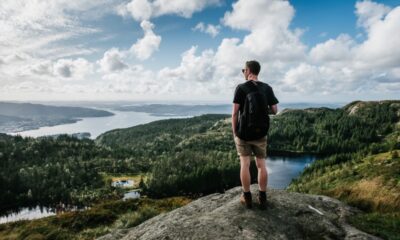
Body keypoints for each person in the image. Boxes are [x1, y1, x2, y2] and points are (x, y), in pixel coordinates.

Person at [232, 60, 279, 209]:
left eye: (243, 70)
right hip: (261, 133)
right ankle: (262, 197)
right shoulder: (267, 88)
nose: (243, 72)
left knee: (245, 165)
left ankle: (247, 197)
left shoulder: (241, 88)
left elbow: (234, 114)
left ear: (248, 71)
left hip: (244, 134)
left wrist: (235, 133)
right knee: (261, 165)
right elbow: (275, 110)